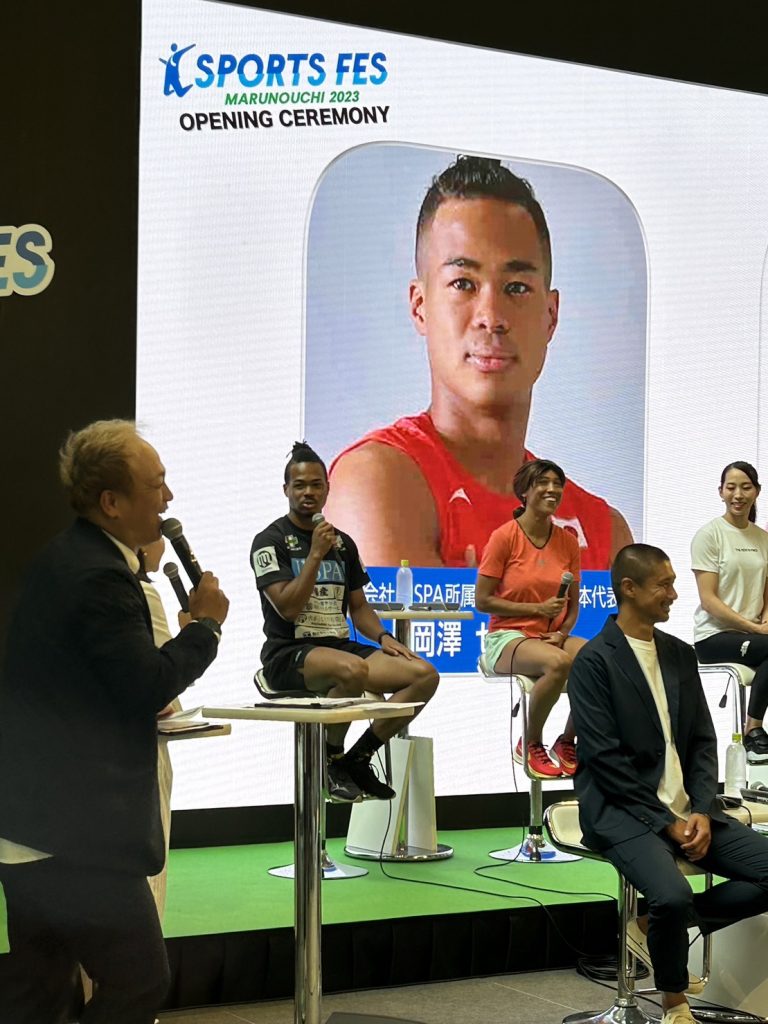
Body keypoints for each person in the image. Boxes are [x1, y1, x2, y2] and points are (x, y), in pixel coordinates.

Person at [0, 419, 229, 1024]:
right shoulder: (102, 576)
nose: (168, 498)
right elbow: (145, 689)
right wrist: (206, 628)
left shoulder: (67, 558)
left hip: (31, 825)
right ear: (111, 502)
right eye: (156, 485)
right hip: (76, 835)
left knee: (38, 993)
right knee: (139, 981)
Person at [325, 154, 633, 569]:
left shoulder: (605, 534)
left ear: (550, 315)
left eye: (517, 287)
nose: (491, 316)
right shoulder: (374, 482)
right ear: (420, 307)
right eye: (463, 283)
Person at [568, 543, 768, 1024]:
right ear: (629, 589)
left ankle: (654, 926)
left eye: (673, 583)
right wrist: (666, 822)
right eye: (664, 584)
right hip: (620, 812)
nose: (675, 594)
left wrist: (700, 809)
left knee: (697, 898)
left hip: (688, 811)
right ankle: (675, 1004)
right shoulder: (594, 661)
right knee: (671, 896)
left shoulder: (679, 653)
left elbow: (702, 741)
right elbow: (605, 761)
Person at [250, 441, 439, 802]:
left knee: (424, 675)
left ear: (327, 489)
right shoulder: (269, 541)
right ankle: (330, 759)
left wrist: (383, 637)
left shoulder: (343, 544)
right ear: (286, 490)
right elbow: (287, 608)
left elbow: (359, 607)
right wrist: (314, 555)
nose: (308, 492)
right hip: (289, 652)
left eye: (316, 485)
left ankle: (358, 757)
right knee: (352, 671)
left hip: (338, 646)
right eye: (299, 485)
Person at [475, 459, 584, 778]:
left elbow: (572, 605)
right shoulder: (504, 537)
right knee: (558, 663)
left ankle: (567, 740)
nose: (552, 489)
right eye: (543, 483)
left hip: (551, 637)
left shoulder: (568, 541)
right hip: (508, 637)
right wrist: (537, 610)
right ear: (524, 491)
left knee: (601, 660)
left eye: (557, 484)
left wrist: (563, 632)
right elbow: (482, 601)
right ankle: (530, 742)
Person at [691, 461, 768, 763]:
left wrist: (765, 621)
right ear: (720, 492)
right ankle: (754, 729)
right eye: (731, 487)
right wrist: (755, 628)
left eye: (746, 487)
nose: (738, 494)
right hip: (714, 636)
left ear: (757, 491)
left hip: (754, 636)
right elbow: (709, 600)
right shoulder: (709, 535)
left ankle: (754, 729)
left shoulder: (763, 538)